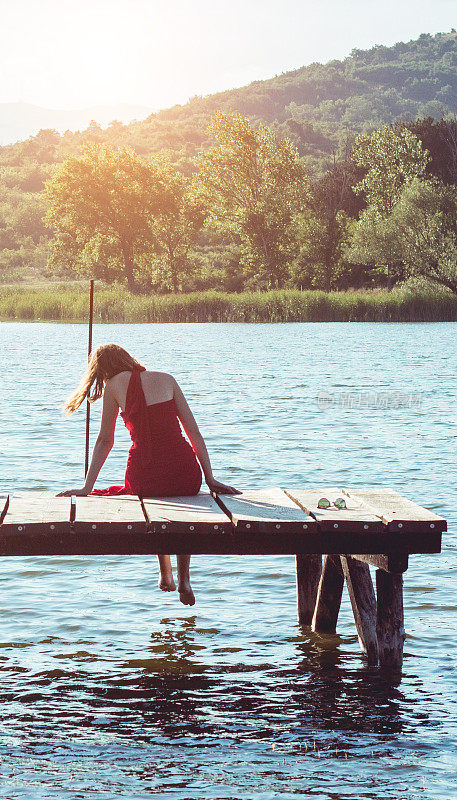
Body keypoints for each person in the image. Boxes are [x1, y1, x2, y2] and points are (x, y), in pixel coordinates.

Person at [57, 343, 240, 606]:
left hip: (145, 474)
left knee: (157, 505)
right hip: (185, 473)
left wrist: (87, 487)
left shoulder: (113, 387)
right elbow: (194, 432)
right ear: (127, 358)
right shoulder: (167, 379)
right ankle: (184, 578)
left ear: (103, 369)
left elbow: (104, 441)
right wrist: (210, 479)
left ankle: (165, 573)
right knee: (181, 507)